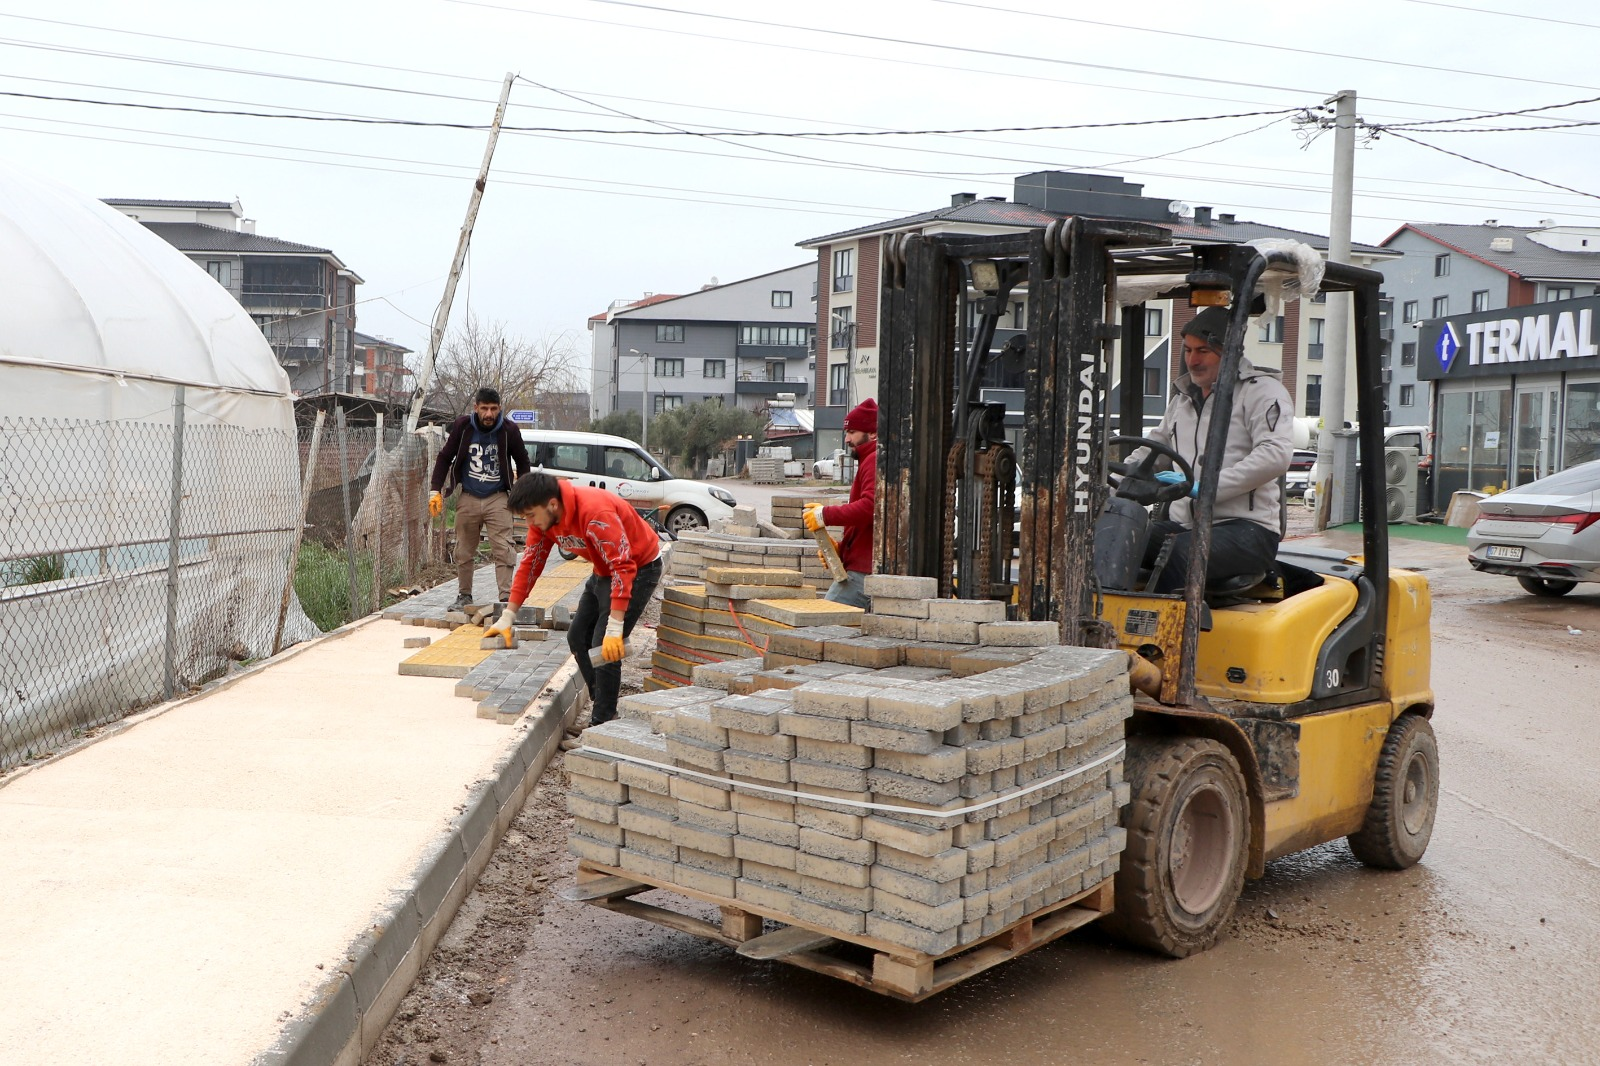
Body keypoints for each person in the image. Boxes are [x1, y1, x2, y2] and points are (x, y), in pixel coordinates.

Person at [485, 472, 663, 728]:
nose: (529, 522)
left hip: (640, 566)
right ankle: (601, 702)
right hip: (603, 569)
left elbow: (623, 567)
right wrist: (508, 615)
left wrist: (615, 627)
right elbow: (530, 564)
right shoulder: (543, 520)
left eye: (531, 515)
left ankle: (603, 722)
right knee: (577, 637)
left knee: (604, 646)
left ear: (552, 504)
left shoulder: (594, 512)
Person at [1139, 306, 1293, 594]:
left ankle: (1166, 621)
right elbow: (1155, 449)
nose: (1192, 360)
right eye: (1188, 350)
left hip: (1247, 529)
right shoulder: (1183, 399)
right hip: (1186, 525)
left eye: (1203, 351)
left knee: (1181, 551)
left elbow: (1275, 455)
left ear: (1229, 351)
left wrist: (1208, 487)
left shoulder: (1261, 392)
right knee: (1122, 535)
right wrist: (1116, 480)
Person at [429, 387, 532, 611]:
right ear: (475, 407)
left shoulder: (509, 430)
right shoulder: (463, 426)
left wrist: (524, 493)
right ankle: (464, 595)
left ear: (500, 408)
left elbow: (523, 461)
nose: (489, 414)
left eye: (493, 409)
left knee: (504, 548)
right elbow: (445, 457)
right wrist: (434, 490)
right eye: (484, 408)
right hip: (469, 495)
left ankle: (506, 598)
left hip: (498, 497)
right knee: (464, 549)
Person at [804, 398, 877, 608]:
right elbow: (864, 525)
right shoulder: (869, 460)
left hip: (863, 573)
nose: (847, 439)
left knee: (823, 621)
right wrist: (841, 549)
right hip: (861, 566)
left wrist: (824, 515)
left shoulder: (874, 460)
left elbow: (871, 507)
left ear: (872, 433)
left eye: (852, 432)